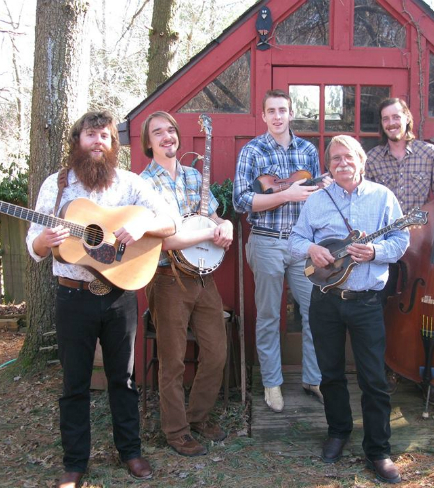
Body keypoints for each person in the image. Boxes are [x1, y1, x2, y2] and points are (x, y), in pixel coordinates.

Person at [26, 111, 180, 488]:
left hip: (119, 295)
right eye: (91, 134)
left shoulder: (129, 184)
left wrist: (142, 224)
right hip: (73, 296)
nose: (98, 141)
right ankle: (75, 463)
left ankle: (130, 451)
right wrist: (43, 242)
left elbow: (171, 221)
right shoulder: (57, 186)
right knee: (74, 383)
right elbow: (34, 243)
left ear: (114, 145)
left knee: (123, 380)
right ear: (77, 140)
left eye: (106, 137)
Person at [289, 135, 409, 484]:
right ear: (329, 165)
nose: (342, 163)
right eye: (335, 158)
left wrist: (374, 253)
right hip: (325, 299)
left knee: (373, 378)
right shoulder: (318, 200)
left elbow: (401, 240)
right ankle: (338, 432)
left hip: (366, 302)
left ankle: (379, 450)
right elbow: (296, 240)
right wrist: (312, 249)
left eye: (348, 157)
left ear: (361, 160)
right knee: (330, 374)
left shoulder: (383, 197)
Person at [139, 111, 233, 456]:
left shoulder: (194, 177)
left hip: (204, 277)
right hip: (167, 279)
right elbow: (158, 240)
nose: (167, 137)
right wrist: (208, 232)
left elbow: (212, 215)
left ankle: (197, 417)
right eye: (157, 132)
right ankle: (176, 431)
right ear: (149, 143)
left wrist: (225, 226)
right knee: (173, 361)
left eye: (171, 131)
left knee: (216, 352)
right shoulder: (143, 185)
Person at [233, 89, 327, 412]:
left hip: (301, 243)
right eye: (271, 110)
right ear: (263, 115)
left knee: (314, 311)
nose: (277, 116)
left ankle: (313, 378)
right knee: (270, 315)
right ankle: (272, 383)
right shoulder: (252, 150)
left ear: (290, 113)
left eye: (282, 110)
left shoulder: (308, 150)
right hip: (266, 239)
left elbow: (316, 197)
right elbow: (241, 200)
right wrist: (286, 196)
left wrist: (321, 190)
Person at [366, 97, 434, 405]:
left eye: (396, 117)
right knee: (381, 306)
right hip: (385, 244)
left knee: (424, 308)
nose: (392, 123)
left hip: (421, 248)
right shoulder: (372, 158)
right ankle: (385, 369)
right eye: (386, 119)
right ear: (382, 125)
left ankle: (426, 371)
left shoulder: (428, 153)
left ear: (407, 118)